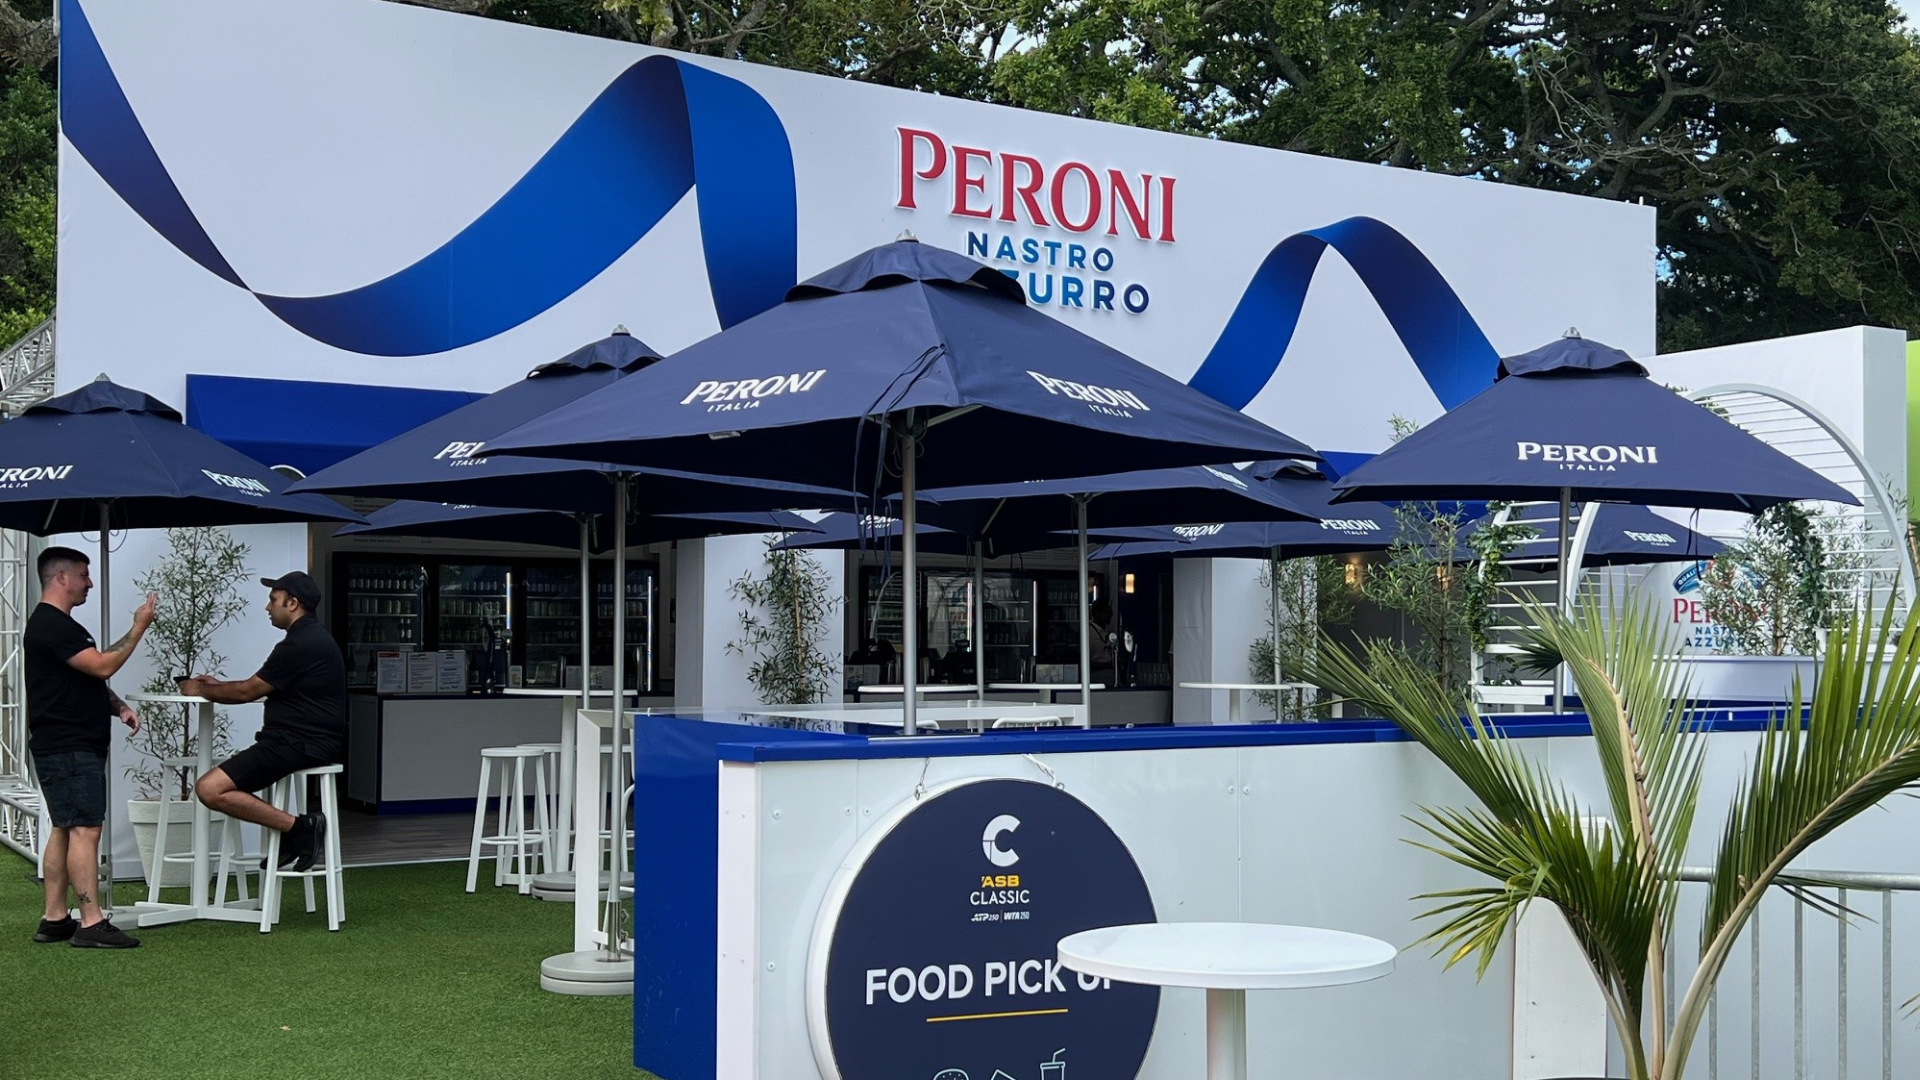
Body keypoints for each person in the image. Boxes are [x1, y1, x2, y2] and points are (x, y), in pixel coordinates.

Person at [26, 546, 156, 948]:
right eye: (84, 575)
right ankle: (91, 922)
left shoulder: (56, 626)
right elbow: (102, 665)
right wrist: (139, 627)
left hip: (61, 742)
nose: (90, 583)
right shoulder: (53, 625)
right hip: (69, 744)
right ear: (61, 578)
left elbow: (88, 672)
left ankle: (54, 918)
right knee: (86, 828)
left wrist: (116, 706)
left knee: (65, 827)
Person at [184, 572, 346, 873]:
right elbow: (260, 683)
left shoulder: (300, 643)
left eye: (273, 599)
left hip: (298, 743)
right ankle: (292, 832)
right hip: (300, 741)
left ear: (293, 603)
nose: (267, 606)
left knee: (209, 789)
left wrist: (201, 690)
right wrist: (218, 685)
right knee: (214, 786)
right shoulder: (311, 638)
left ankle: (300, 828)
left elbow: (248, 692)